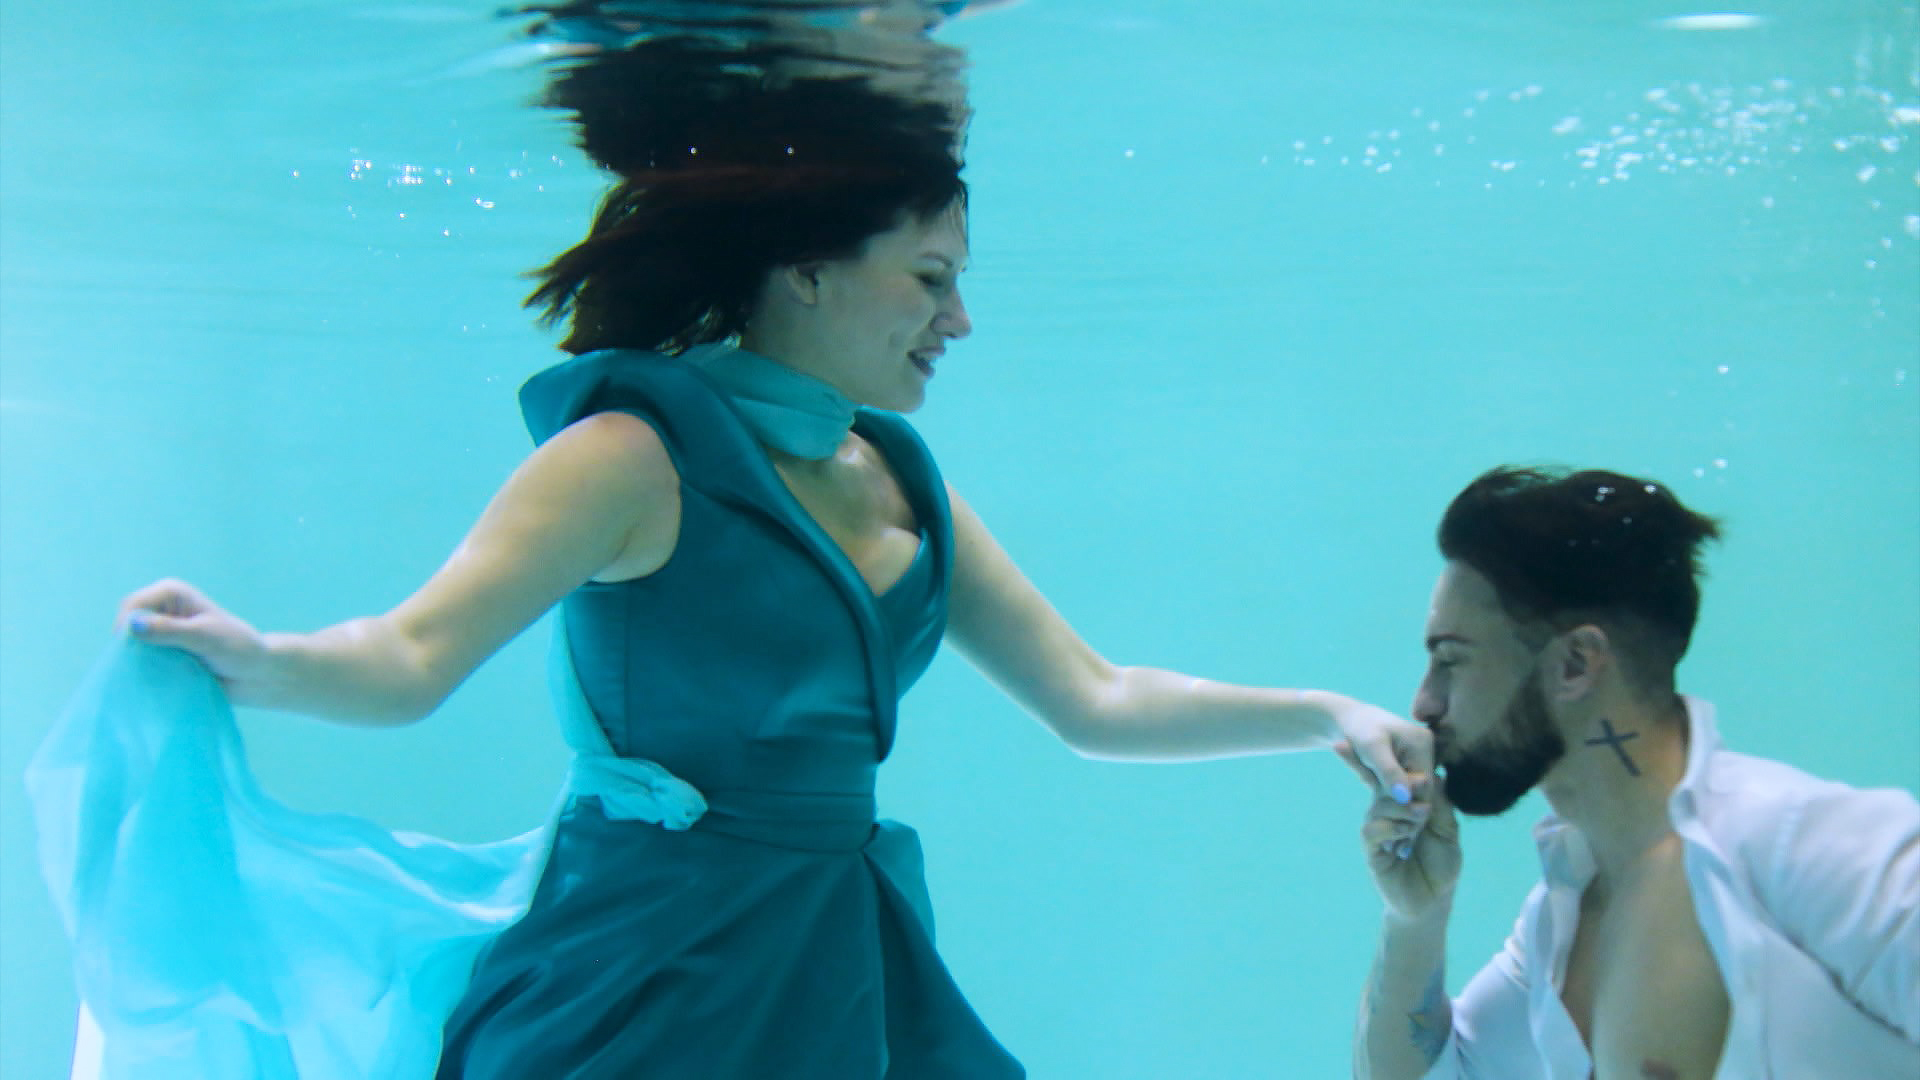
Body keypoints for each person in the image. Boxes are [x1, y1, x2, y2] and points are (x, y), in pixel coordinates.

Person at [85, 40, 1432, 1080]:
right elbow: (409, 658)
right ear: (804, 271)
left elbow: (1097, 700)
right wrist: (256, 658)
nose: (961, 320)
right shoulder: (631, 458)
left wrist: (1327, 714)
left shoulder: (900, 475)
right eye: (929, 278)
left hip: (836, 960)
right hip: (643, 974)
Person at [1346, 466, 1920, 1080]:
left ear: (1575, 664)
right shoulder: (1561, 920)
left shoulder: (1810, 849)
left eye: (1451, 660)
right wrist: (1417, 916)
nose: (1424, 705)